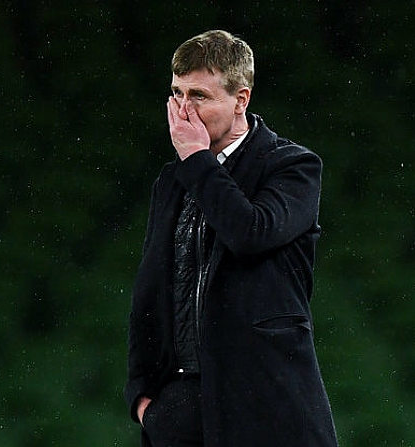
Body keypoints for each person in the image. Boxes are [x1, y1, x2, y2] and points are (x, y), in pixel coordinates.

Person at [124, 30, 339, 446]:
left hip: (266, 407)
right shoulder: (172, 180)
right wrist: (143, 400)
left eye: (199, 96)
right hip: (181, 409)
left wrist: (198, 159)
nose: (183, 110)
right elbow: (149, 291)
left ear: (241, 100)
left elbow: (249, 232)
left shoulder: (292, 167)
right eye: (176, 93)